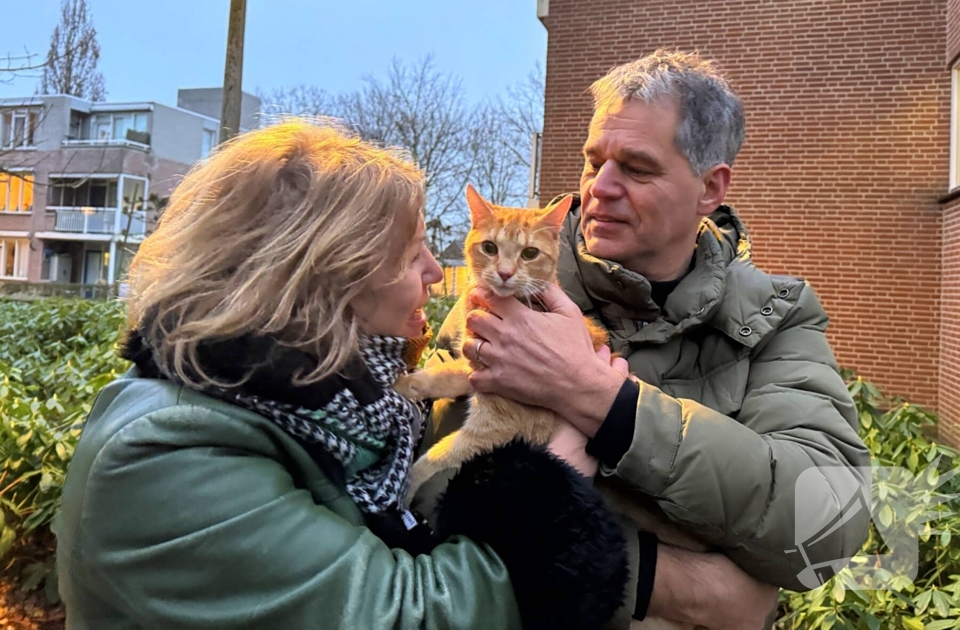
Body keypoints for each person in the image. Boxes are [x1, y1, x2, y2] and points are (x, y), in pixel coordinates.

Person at [55, 120, 632, 629]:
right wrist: (561, 471)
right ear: (319, 278)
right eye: (412, 255)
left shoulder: (345, 398)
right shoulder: (165, 456)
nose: (438, 272)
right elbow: (408, 613)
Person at [422, 50, 872, 629]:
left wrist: (602, 400)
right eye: (592, 161)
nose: (598, 189)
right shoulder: (503, 291)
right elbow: (422, 497)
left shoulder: (775, 317)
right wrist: (669, 584)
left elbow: (827, 523)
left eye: (636, 168)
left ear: (710, 188)